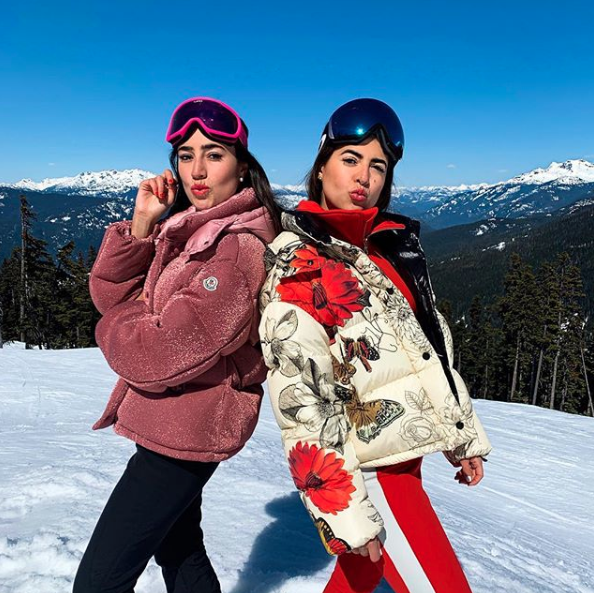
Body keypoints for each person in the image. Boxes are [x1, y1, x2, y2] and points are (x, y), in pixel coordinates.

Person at [259, 98, 492, 593]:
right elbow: (302, 405)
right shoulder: (299, 268)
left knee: (362, 577)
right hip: (371, 471)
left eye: (378, 166)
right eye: (350, 159)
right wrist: (343, 512)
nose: (364, 176)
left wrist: (461, 436)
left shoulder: (385, 250)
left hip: (406, 460)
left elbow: (427, 354)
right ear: (321, 168)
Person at [74, 97, 280, 593]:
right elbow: (110, 294)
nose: (197, 171)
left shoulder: (236, 250)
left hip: (187, 432)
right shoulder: (195, 229)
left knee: (99, 581)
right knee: (178, 549)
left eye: (214, 154)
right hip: (170, 423)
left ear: (242, 167)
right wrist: (142, 226)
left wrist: (116, 324)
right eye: (186, 156)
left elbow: (158, 354)